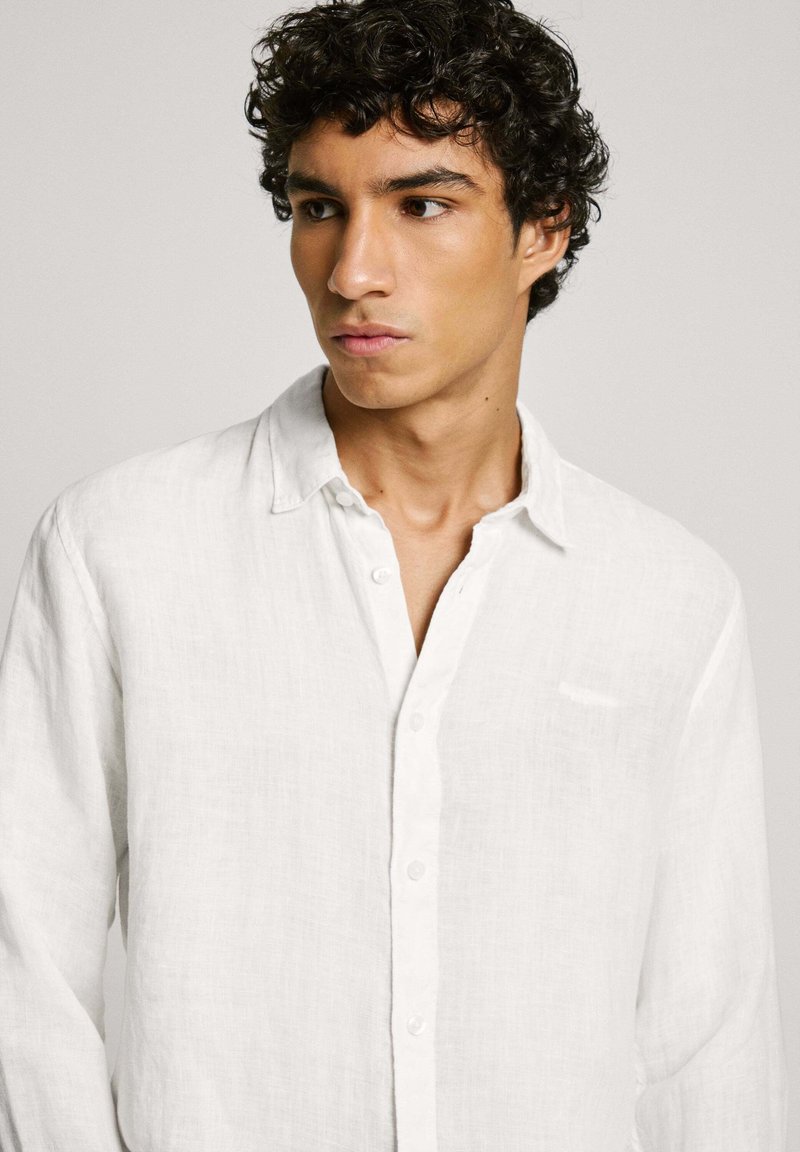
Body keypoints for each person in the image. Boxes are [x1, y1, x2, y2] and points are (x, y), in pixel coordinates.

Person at [0, 0, 788, 1148]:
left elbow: (703, 1039)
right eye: (319, 208)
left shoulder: (666, 598)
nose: (353, 270)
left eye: (421, 204)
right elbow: (25, 974)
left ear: (543, 229)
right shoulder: (118, 549)